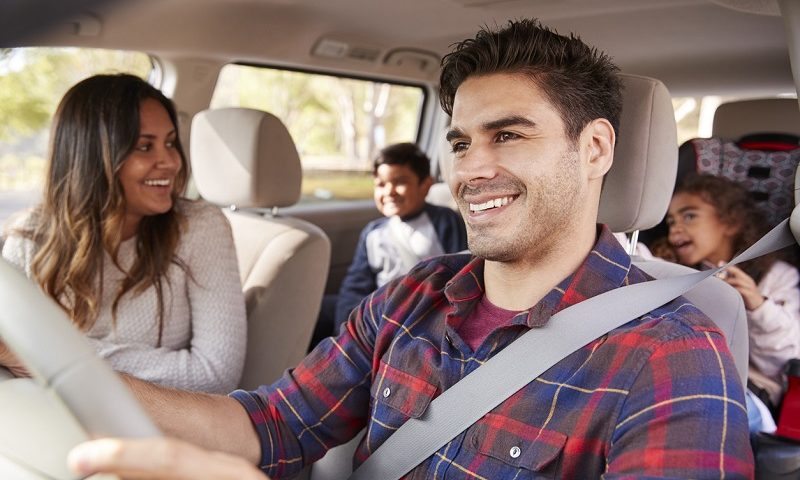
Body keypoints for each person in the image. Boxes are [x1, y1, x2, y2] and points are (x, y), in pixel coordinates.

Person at [66, 19, 753, 479]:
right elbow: (272, 422)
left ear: (596, 148)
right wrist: (65, 371)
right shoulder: (413, 296)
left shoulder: (671, 356)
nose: (471, 170)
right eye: (460, 142)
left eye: (509, 136)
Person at [1, 73, 247, 394]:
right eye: (145, 147)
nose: (171, 161)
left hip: (159, 431)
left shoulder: (199, 227)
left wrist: (53, 356)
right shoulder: (29, 240)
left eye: (170, 143)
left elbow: (215, 374)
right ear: (91, 159)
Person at [664, 173, 800, 409]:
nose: (676, 229)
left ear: (730, 222)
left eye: (689, 216)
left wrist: (758, 306)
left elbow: (788, 357)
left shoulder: (775, 276)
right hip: (684, 377)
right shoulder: (672, 273)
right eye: (671, 222)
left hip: (750, 391)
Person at [333, 142, 467, 328]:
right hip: (380, 315)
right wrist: (346, 326)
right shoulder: (373, 232)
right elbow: (355, 286)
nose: (389, 191)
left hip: (425, 313)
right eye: (381, 184)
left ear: (425, 185)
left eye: (400, 182)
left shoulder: (444, 220)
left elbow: (461, 273)